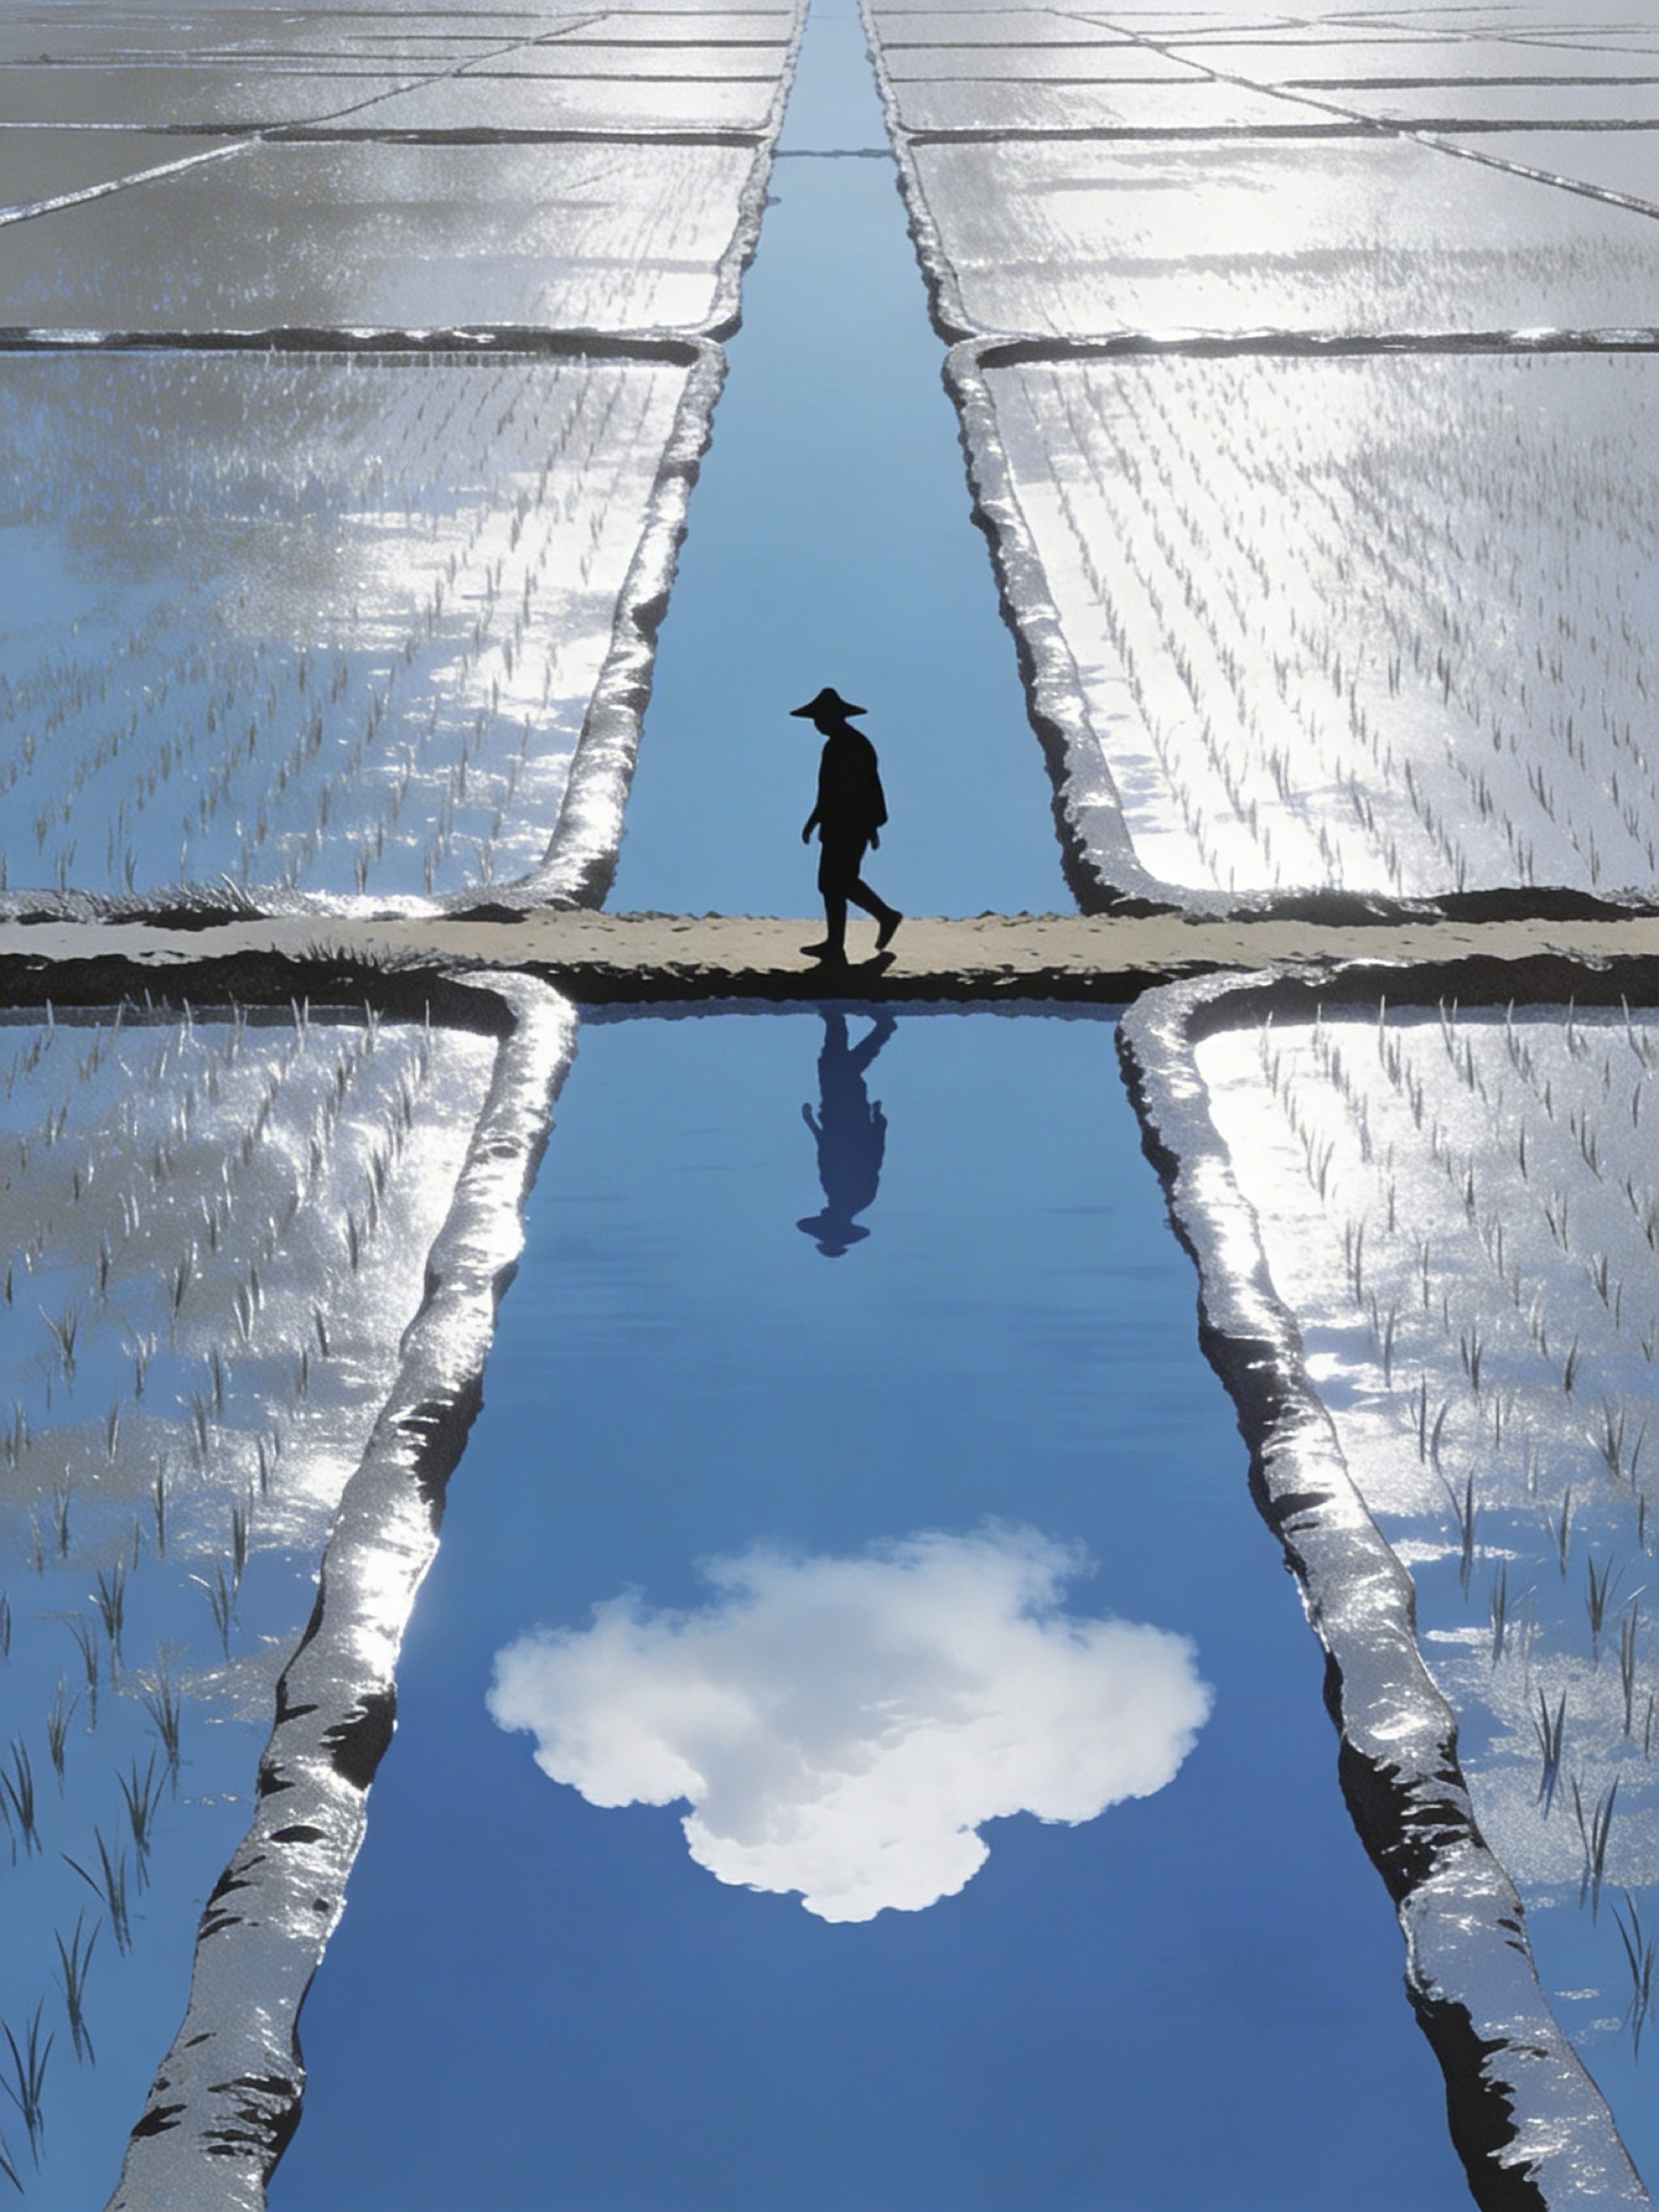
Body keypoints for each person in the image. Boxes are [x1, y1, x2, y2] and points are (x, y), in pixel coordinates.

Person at [792, 686, 902, 962]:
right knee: (832, 883)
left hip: (849, 825)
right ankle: (837, 942)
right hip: (839, 824)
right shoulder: (839, 745)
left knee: (838, 881)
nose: (817, 724)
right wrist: (815, 820)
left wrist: (870, 825)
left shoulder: (851, 745)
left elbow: (864, 787)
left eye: (820, 718)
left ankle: (884, 916)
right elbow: (828, 792)